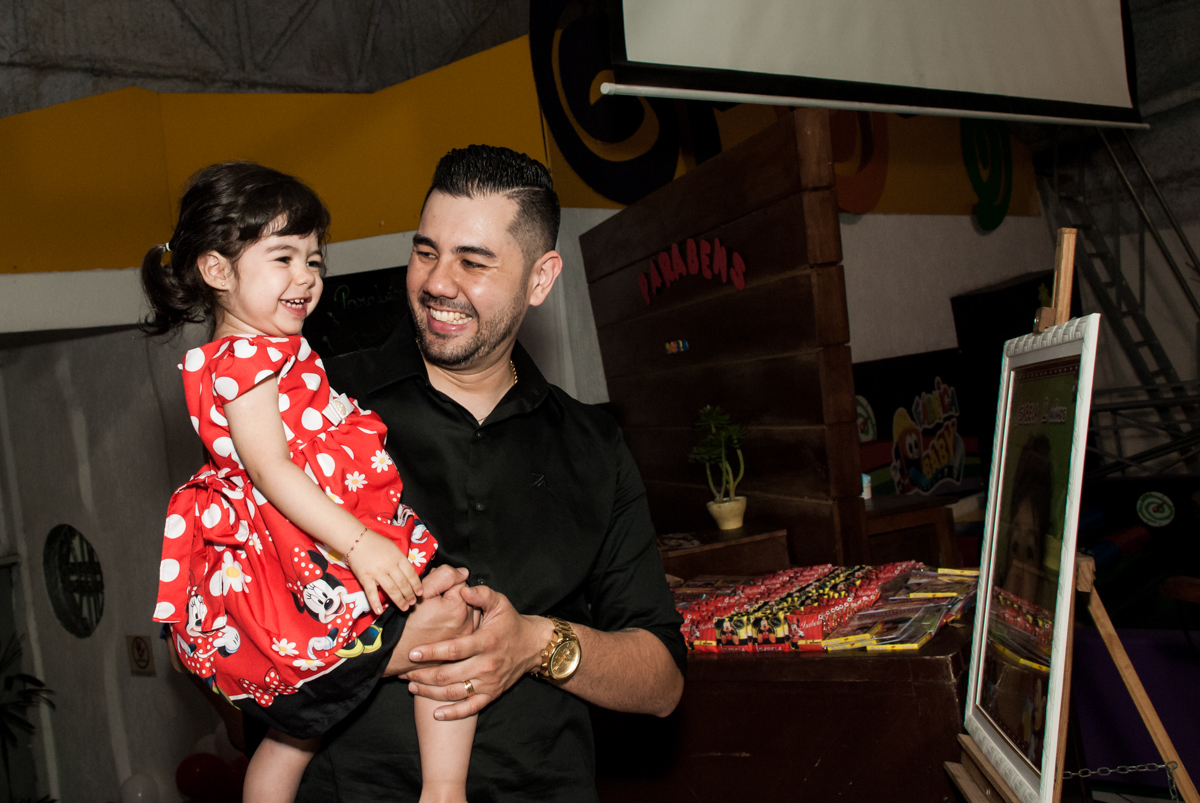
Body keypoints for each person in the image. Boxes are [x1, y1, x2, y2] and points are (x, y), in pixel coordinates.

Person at [294, 145, 686, 802]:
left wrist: (535, 643)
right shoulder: (316, 402)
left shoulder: (592, 444)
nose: (438, 282)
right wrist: (382, 651)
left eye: (473, 262)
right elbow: (213, 626)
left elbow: (662, 681)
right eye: (426, 251)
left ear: (540, 278)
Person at [144, 162, 479, 803]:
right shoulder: (243, 361)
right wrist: (360, 544)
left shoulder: (271, 349)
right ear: (217, 271)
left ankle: (444, 788)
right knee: (449, 622)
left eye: (314, 261)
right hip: (308, 552)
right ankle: (444, 789)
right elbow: (271, 470)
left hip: (320, 537)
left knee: (295, 737)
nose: (305, 278)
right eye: (283, 258)